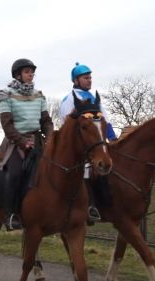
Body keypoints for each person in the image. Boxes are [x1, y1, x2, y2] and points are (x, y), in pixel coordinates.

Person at [0, 58, 54, 231]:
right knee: (15, 173)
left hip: (37, 140)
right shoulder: (6, 94)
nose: (31, 75)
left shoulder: (38, 95)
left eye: (32, 72)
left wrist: (51, 136)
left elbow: (46, 121)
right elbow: (7, 124)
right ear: (18, 75)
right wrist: (22, 142)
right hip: (16, 141)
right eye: (27, 72)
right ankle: (11, 214)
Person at [59, 63, 117, 225]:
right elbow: (67, 123)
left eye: (90, 77)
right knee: (85, 169)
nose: (89, 80)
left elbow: (105, 120)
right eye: (86, 78)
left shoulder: (94, 98)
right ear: (76, 80)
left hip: (95, 143)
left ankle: (105, 204)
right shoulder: (69, 99)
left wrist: (112, 138)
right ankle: (88, 206)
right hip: (77, 145)